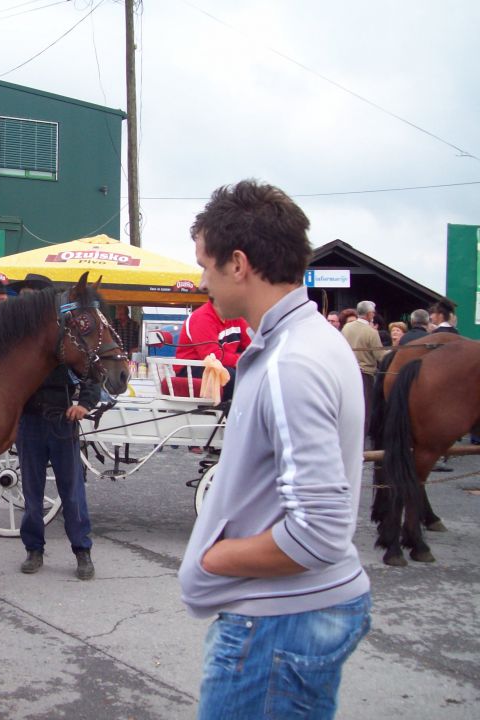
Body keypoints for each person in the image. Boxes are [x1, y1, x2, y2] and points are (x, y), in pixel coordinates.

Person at [178, 180, 370, 719]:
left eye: (205, 264)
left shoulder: (292, 363)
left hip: (274, 628)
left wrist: (212, 559)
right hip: (285, 621)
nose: (201, 281)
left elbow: (320, 530)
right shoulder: (306, 343)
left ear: (238, 263)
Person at [7, 274, 99, 580]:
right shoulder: (15, 337)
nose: (25, 301)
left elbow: (92, 373)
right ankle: (34, 550)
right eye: (23, 296)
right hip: (30, 422)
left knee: (72, 492)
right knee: (32, 494)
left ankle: (82, 551)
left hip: (62, 420)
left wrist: (84, 403)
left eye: (30, 296)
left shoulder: (66, 335)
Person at [174, 299, 250, 401]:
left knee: (253, 373)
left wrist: (247, 360)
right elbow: (214, 356)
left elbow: (252, 346)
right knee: (232, 376)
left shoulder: (236, 316)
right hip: (193, 368)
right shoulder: (202, 318)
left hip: (222, 365)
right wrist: (243, 360)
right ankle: (231, 412)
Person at [341, 300, 383, 439]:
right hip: (365, 374)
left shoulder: (346, 327)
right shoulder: (371, 332)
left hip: (347, 372)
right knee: (365, 409)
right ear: (370, 314)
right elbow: (380, 355)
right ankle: (360, 440)